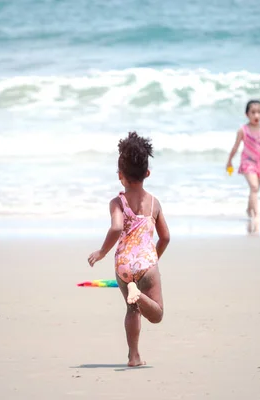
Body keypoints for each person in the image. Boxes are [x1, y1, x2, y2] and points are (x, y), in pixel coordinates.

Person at [87, 131, 170, 367]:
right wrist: (154, 258)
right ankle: (140, 294)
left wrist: (102, 252)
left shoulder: (117, 202)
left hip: (123, 266)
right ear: (147, 173)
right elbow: (165, 237)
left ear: (120, 175)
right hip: (147, 265)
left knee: (131, 310)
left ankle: (134, 356)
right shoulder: (154, 203)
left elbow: (115, 228)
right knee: (157, 314)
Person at [226, 100, 260, 233]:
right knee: (254, 187)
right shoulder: (243, 130)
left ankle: (249, 210)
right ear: (247, 114)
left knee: (255, 190)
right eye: (253, 112)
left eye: (259, 112)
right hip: (247, 162)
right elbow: (236, 146)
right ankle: (256, 215)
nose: (256, 115)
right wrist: (229, 161)